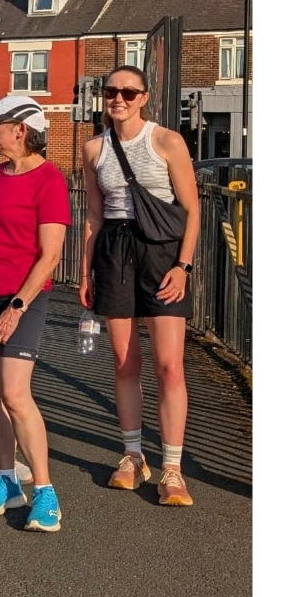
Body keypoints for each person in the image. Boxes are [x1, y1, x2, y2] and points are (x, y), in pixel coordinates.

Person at [81, 65, 202, 507]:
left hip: (162, 252)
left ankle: (172, 466)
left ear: (144, 97)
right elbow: (94, 216)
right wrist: (85, 270)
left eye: (128, 92)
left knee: (169, 364)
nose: (119, 99)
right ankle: (132, 454)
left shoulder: (167, 141)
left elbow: (191, 209)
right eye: (111, 91)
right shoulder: (93, 147)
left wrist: (183, 266)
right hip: (115, 250)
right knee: (123, 362)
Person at [0, 96, 71, 532]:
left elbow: (50, 254)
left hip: (21, 297)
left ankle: (44, 490)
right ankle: (7, 479)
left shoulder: (49, 180)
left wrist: (18, 307)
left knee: (17, 395)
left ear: (20, 130)